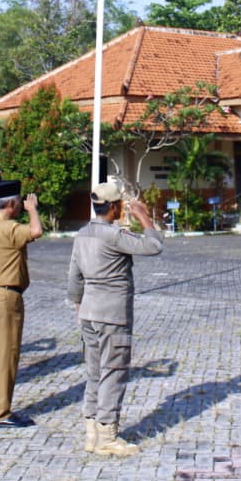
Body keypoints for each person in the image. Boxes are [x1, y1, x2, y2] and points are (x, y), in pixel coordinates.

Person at [68, 181, 164, 456]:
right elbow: (153, 245)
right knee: (113, 372)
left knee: (95, 373)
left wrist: (78, 305)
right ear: (113, 208)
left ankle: (91, 431)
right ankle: (107, 434)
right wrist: (144, 217)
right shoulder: (112, 236)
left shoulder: (82, 234)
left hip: (88, 313)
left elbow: (74, 277)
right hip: (112, 315)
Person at [0, 180, 42, 428]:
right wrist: (33, 209)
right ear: (13, 204)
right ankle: (1, 413)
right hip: (6, 295)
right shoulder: (9, 228)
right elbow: (36, 231)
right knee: (7, 355)